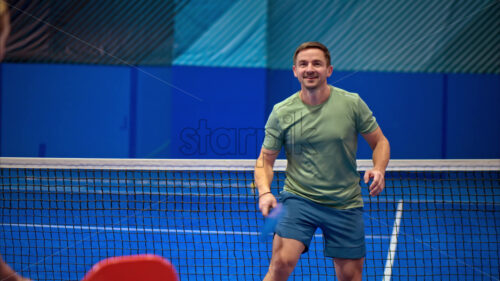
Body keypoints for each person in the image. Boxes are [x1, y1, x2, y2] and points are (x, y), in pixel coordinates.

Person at [254, 41, 390, 281]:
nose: (310, 68)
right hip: (299, 199)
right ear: (295, 71)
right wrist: (265, 192)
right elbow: (265, 161)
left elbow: (380, 142)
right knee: (281, 263)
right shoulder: (282, 112)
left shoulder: (352, 104)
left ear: (329, 70)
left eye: (317, 63)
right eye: (303, 64)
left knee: (350, 277)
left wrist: (379, 169)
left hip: (345, 203)